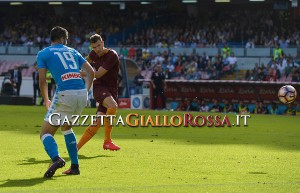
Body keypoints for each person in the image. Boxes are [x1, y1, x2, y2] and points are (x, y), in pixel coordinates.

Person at [37, 26, 94, 178]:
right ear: (62, 38)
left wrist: (46, 99)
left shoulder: (43, 53)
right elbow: (91, 72)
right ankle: (75, 166)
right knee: (67, 127)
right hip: (81, 94)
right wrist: (86, 91)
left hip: (64, 94)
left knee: (45, 133)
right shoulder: (73, 51)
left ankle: (56, 158)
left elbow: (43, 80)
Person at [76, 33, 121, 152]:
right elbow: (84, 62)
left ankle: (75, 149)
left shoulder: (112, 55)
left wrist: (82, 73)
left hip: (112, 90)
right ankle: (107, 141)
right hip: (100, 88)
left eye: (98, 46)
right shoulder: (92, 54)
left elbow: (100, 73)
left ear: (103, 43)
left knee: (97, 123)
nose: (97, 49)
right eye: (94, 47)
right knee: (112, 106)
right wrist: (75, 69)